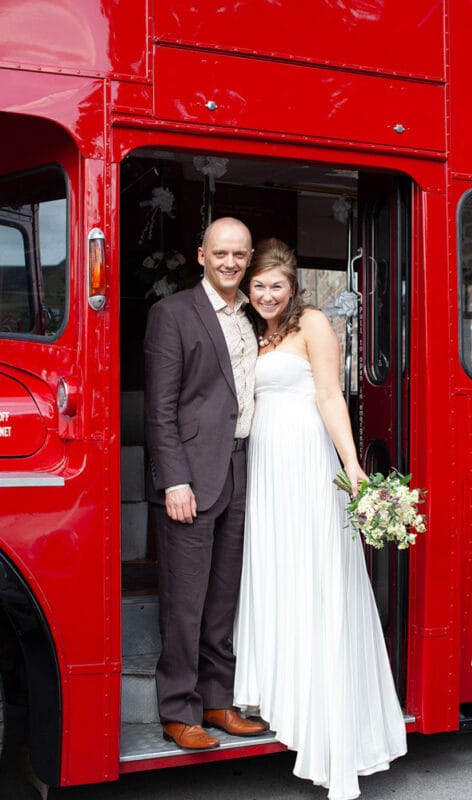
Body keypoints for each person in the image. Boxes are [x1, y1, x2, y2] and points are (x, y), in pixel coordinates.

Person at [233, 238, 407, 799]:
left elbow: (331, 396)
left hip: (307, 460)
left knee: (314, 575)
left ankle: (325, 721)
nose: (266, 295)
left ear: (293, 287)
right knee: (279, 572)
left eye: (276, 286)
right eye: (258, 286)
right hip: (266, 467)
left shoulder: (312, 324)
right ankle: (284, 693)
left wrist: (352, 466)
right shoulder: (253, 331)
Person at [144, 217, 267, 750]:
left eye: (239, 254)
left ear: (249, 258)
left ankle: (218, 700)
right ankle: (179, 709)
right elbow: (159, 409)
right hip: (191, 477)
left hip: (241, 468)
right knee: (185, 601)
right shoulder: (172, 313)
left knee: (222, 599)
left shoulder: (253, 316)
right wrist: (174, 480)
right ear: (201, 256)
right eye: (221, 253)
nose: (230, 263)